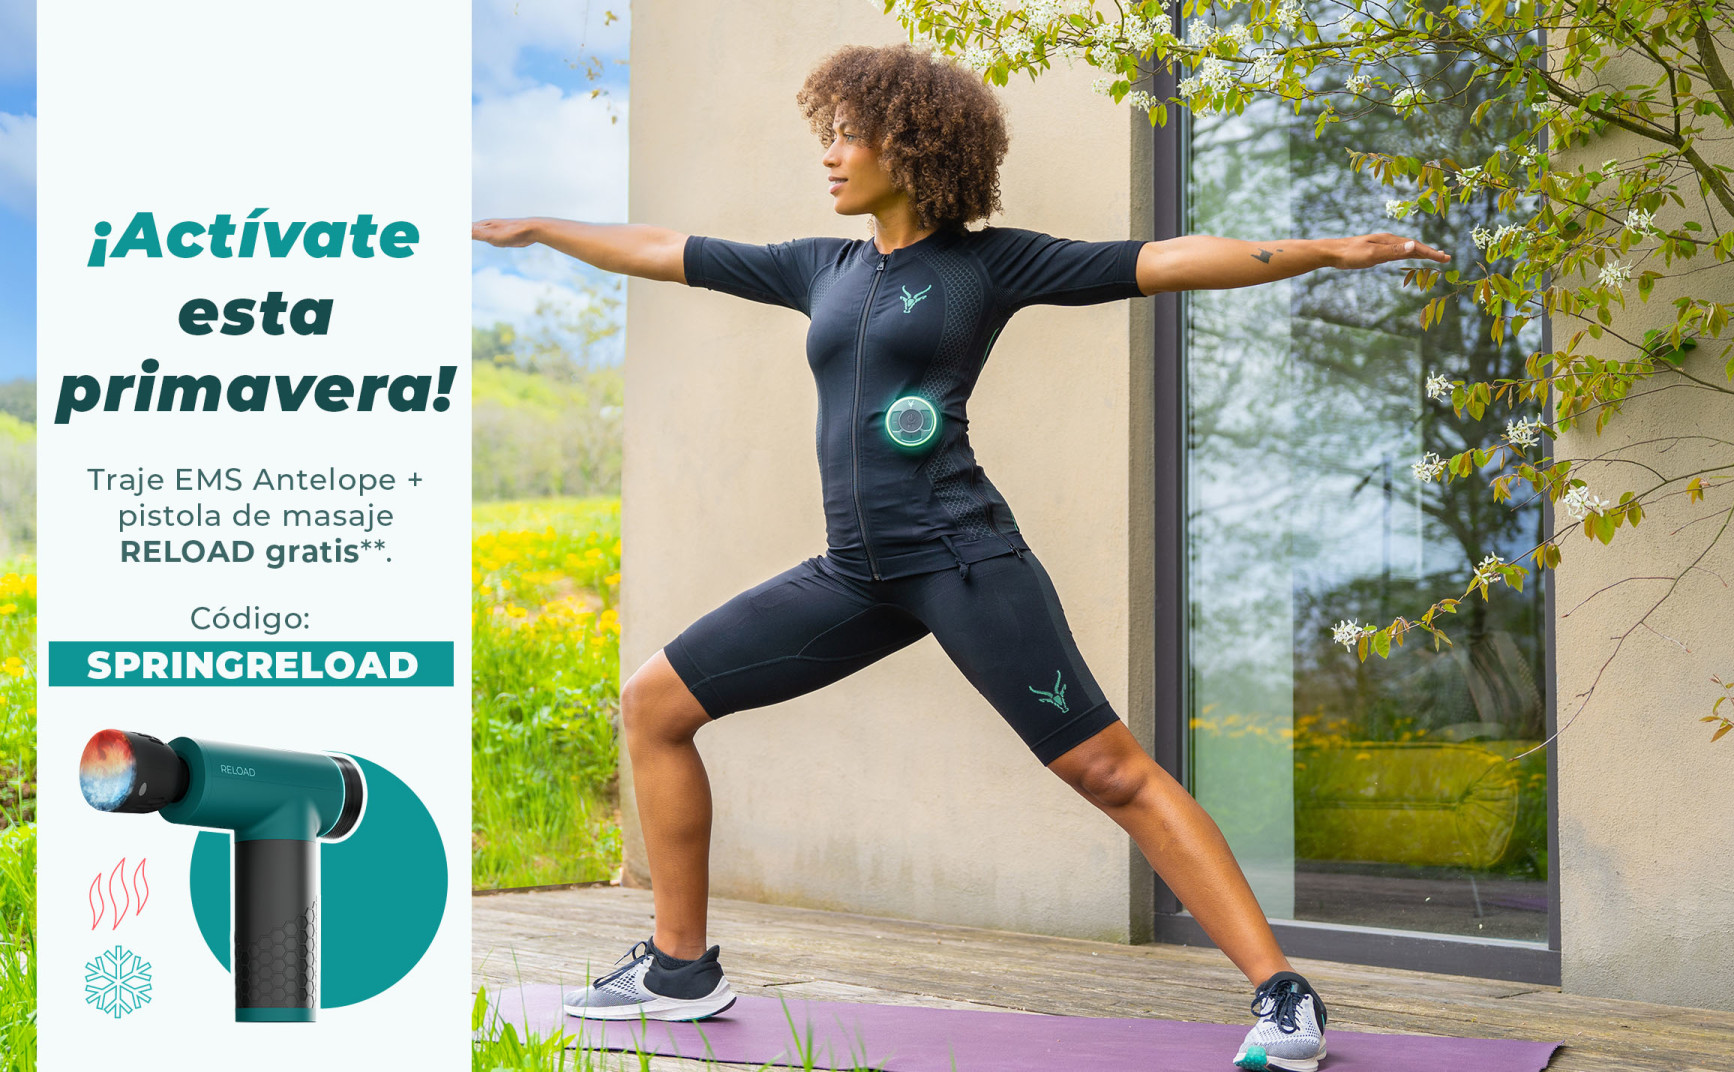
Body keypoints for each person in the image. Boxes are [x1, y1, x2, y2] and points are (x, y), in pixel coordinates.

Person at [474, 41, 1450, 1072]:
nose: (830, 157)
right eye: (828, 137)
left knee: (1110, 771)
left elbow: (1161, 260)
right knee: (656, 705)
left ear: (911, 143)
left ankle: (1284, 997)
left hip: (963, 559)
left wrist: (1324, 251)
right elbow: (666, 245)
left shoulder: (990, 265)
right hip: (857, 574)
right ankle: (680, 969)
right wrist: (541, 228)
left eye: (846, 136)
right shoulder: (823, 268)